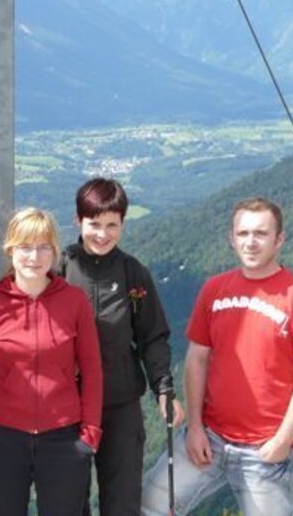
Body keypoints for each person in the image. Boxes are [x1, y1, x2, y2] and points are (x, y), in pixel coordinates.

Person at [142, 197, 293, 516]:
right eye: (243, 234)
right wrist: (197, 426)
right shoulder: (215, 289)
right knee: (150, 503)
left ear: (279, 239)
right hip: (210, 436)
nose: (251, 242)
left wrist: (283, 441)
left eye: (261, 234)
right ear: (232, 239)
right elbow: (197, 359)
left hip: (267, 449)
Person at [0, 207, 104, 516]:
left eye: (43, 247)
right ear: (10, 249)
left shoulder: (75, 301)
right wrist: (7, 392)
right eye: (25, 247)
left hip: (65, 439)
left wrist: (89, 434)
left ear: (54, 252)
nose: (33, 257)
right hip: (4, 439)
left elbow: (92, 370)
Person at [59, 178, 183, 516]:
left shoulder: (133, 274)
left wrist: (164, 389)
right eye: (94, 224)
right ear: (78, 221)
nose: (102, 234)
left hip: (120, 404)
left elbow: (152, 336)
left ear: (123, 224)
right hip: (68, 405)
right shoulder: (60, 269)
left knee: (123, 500)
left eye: (112, 225)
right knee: (69, 500)